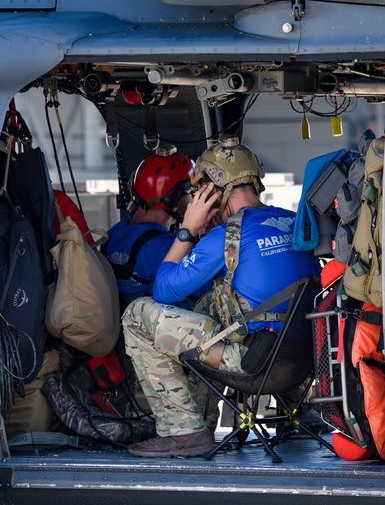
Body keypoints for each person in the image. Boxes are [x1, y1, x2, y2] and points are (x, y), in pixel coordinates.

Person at [122, 137, 320, 458]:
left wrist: (187, 230)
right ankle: (204, 420)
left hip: (254, 366)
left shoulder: (228, 235)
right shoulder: (291, 221)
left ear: (214, 191)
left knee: (138, 313)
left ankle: (185, 431)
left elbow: (163, 290)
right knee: (211, 305)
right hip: (301, 365)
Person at [103, 146, 193, 307]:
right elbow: (204, 287)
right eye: (191, 194)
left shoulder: (113, 234)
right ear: (179, 199)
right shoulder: (164, 247)